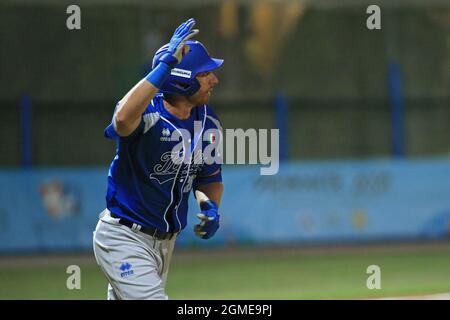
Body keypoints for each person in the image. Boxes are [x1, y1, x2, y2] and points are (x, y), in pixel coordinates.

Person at [93, 18, 224, 300]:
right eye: (204, 74)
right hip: (124, 237)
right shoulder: (147, 114)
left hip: (165, 245)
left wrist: (210, 205)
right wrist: (165, 66)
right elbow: (122, 120)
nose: (214, 79)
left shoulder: (208, 122)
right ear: (182, 79)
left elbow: (207, 178)